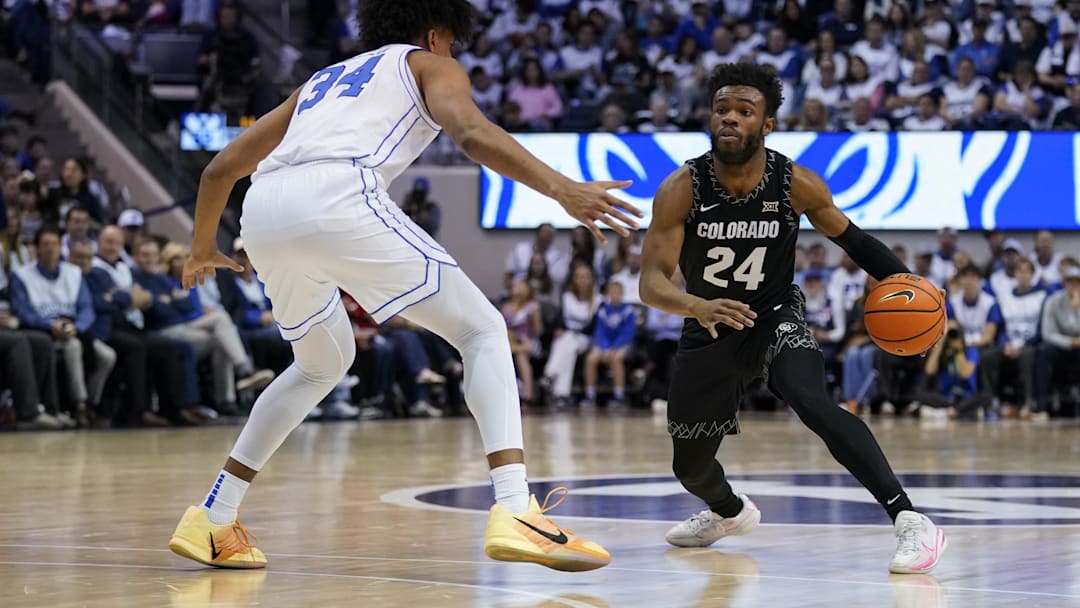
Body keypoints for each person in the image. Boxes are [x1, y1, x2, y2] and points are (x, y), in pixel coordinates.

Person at [169, 0, 641, 573]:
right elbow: (469, 132)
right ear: (439, 32)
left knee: (319, 364)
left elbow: (220, 168)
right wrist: (563, 189)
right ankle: (517, 509)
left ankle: (214, 516)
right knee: (483, 330)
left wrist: (200, 247)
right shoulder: (428, 62)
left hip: (263, 209)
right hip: (340, 195)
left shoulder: (321, 81)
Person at [639, 63, 947, 574]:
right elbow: (651, 283)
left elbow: (855, 242)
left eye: (744, 111)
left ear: (768, 125)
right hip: (710, 324)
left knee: (812, 400)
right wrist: (696, 305)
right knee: (689, 466)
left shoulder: (795, 183)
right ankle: (728, 512)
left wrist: (915, 288)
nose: (730, 120)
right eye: (721, 110)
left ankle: (910, 518)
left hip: (774, 315)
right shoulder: (681, 188)